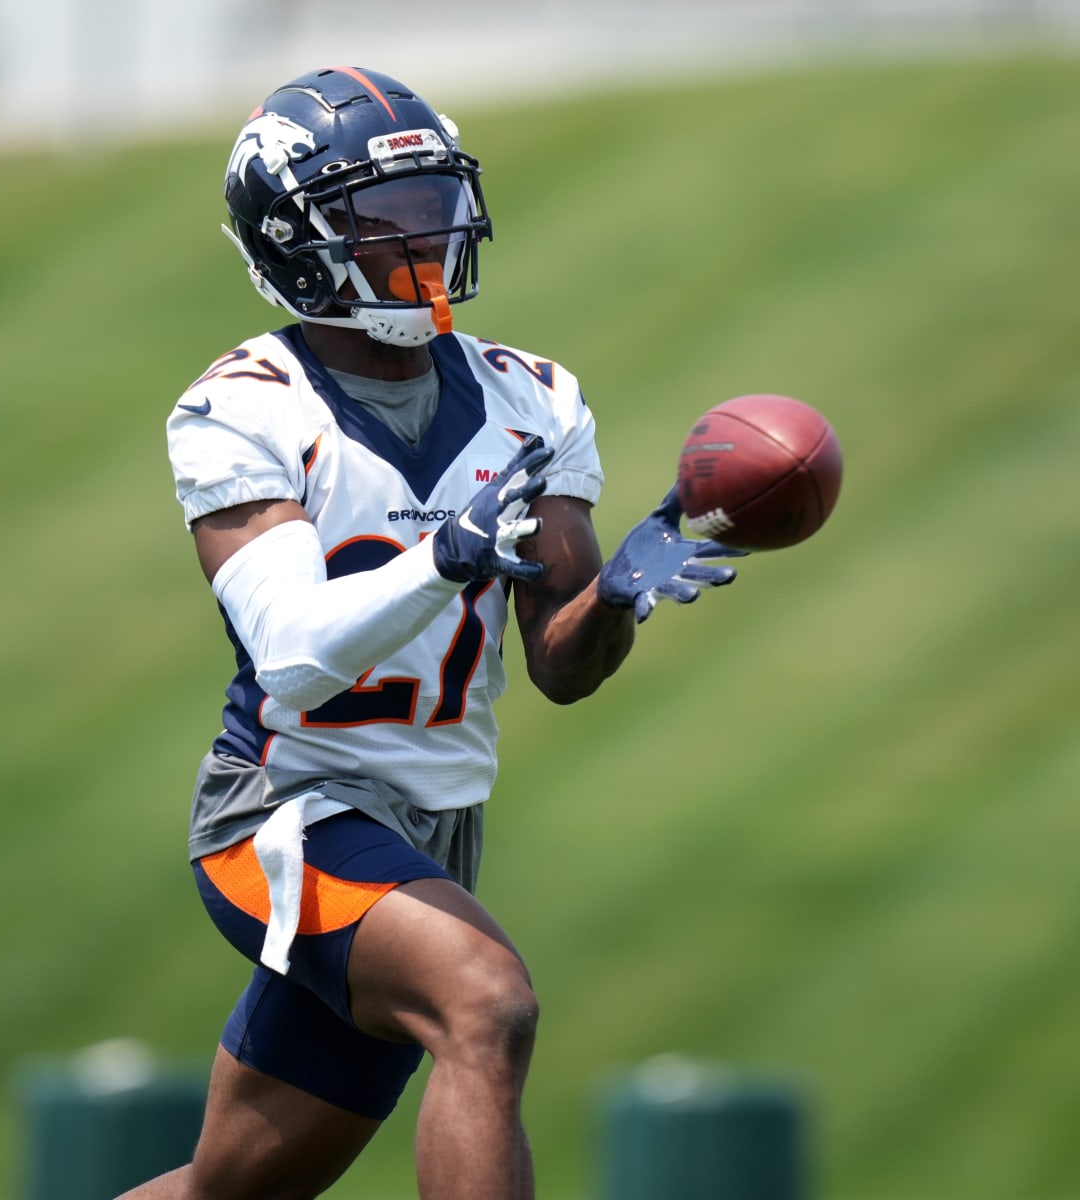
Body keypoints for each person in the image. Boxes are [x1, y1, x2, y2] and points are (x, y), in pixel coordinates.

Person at [123, 65, 743, 1200]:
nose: (425, 235)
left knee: (231, 1190)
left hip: (431, 833)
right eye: (383, 216)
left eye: (433, 204)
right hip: (285, 815)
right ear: (295, 238)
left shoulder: (533, 399)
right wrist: (440, 558)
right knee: (487, 1000)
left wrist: (614, 596)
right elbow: (299, 662)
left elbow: (561, 668)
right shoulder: (244, 407)